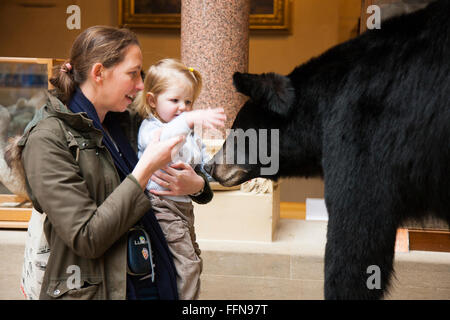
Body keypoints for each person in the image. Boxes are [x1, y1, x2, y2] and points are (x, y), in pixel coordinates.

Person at [17, 26, 213, 300]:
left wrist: (198, 186)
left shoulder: (126, 122)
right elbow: (87, 237)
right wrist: (145, 168)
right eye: (133, 73)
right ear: (99, 73)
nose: (141, 85)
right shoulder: (47, 139)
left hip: (154, 280)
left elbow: (189, 173)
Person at [135, 59, 226, 299]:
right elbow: (164, 139)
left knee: (193, 256)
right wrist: (189, 119)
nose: (183, 108)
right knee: (188, 264)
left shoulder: (189, 132)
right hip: (161, 206)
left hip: (184, 208)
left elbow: (202, 162)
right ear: (153, 101)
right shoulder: (151, 128)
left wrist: (218, 173)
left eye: (188, 102)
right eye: (174, 101)